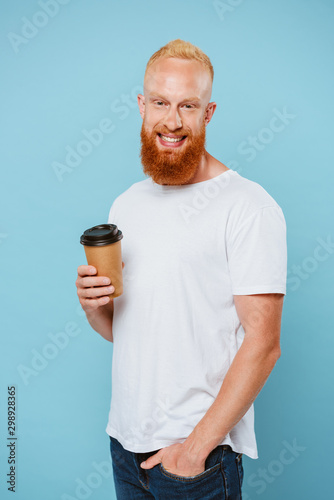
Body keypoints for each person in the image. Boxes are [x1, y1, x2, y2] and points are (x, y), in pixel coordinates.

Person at [75, 39, 287, 500]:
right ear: (141, 106)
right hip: (125, 447)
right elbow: (135, 330)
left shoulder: (247, 206)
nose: (171, 121)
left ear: (207, 113)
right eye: (160, 103)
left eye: (187, 106)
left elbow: (264, 343)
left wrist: (195, 451)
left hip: (198, 463)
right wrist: (94, 309)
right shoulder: (126, 204)